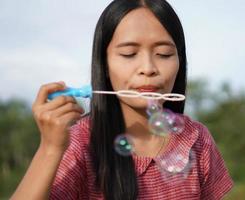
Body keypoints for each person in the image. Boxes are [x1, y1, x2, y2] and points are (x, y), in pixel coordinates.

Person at [11, 0, 233, 199]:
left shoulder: (196, 140)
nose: (148, 69)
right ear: (104, 65)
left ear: (179, 61)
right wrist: (50, 148)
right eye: (129, 54)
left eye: (164, 54)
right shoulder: (80, 144)